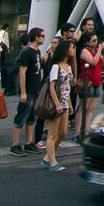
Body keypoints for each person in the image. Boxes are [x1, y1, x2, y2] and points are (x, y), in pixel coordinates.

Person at [9, 28, 46, 154]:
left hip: (35, 89)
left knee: (32, 117)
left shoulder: (37, 52)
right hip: (28, 89)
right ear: (36, 37)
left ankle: (29, 142)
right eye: (42, 36)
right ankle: (15, 144)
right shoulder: (28, 52)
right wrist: (23, 91)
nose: (43, 38)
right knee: (21, 116)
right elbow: (22, 71)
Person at [42, 40, 73, 171]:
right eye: (71, 48)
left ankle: (48, 157)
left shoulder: (69, 67)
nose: (73, 50)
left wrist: (70, 104)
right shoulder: (56, 67)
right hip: (57, 104)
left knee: (62, 133)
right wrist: (57, 104)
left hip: (65, 102)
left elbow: (68, 87)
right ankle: (52, 161)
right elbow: (52, 86)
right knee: (52, 134)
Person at [75, 32, 104, 141]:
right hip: (87, 81)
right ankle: (78, 132)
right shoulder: (85, 51)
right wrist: (99, 50)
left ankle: (86, 130)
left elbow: (103, 64)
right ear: (87, 42)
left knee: (91, 108)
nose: (96, 43)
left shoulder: (95, 51)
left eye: (96, 40)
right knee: (83, 107)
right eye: (93, 41)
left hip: (97, 81)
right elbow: (93, 62)